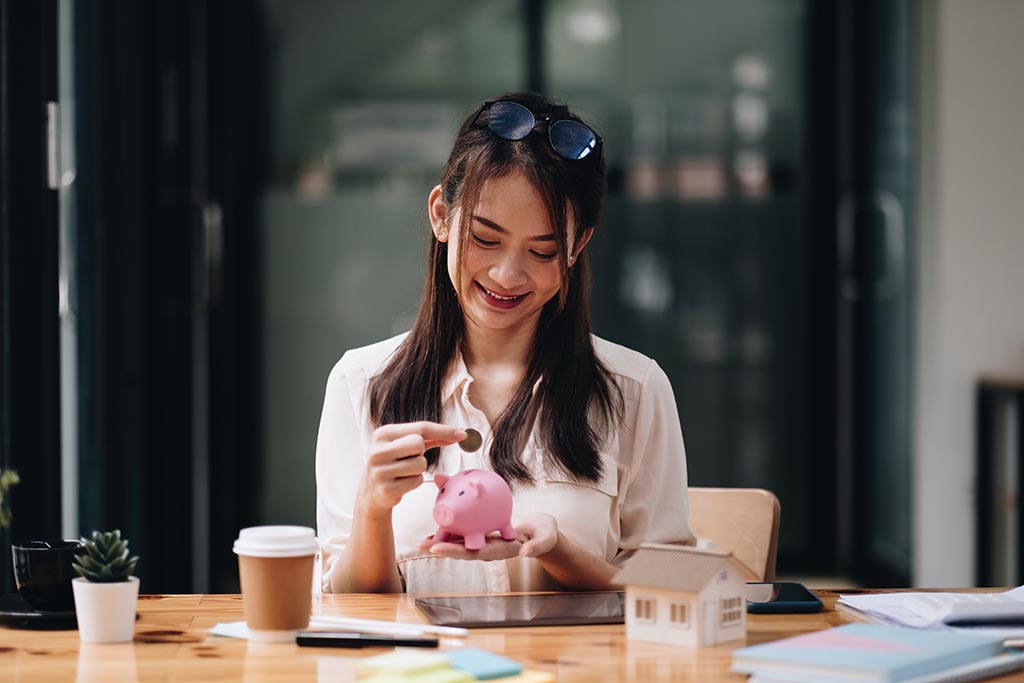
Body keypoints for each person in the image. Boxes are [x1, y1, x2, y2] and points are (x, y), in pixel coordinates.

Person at [316, 92, 694, 594]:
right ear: (441, 215)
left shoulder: (635, 390)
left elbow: (673, 594)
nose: (507, 275)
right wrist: (372, 508)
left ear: (578, 245)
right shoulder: (360, 382)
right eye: (486, 239)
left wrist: (561, 553)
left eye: (543, 251)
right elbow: (345, 609)